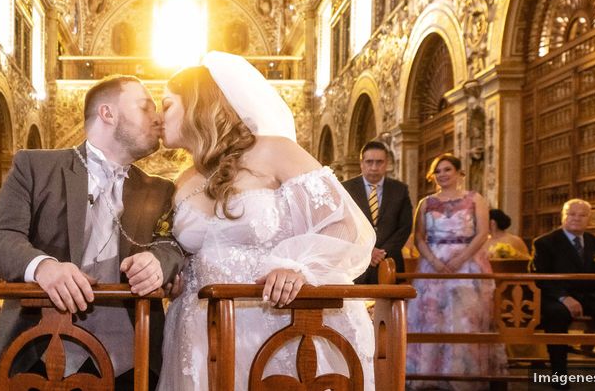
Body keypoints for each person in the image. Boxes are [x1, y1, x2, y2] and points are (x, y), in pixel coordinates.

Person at [157, 52, 377, 390]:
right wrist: (175, 275)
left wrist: (298, 266)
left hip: (275, 320)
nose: (158, 116)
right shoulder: (182, 180)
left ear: (197, 104)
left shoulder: (274, 151)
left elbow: (345, 225)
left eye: (167, 104)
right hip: (200, 329)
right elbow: (187, 251)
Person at [0, 75, 185, 391]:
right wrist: (44, 267)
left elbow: (171, 243)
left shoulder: (160, 190)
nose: (157, 117)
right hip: (35, 351)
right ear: (108, 113)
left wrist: (160, 262)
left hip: (131, 360)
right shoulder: (35, 167)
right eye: (145, 106)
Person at [405, 153, 506, 389]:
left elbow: (482, 234)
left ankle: (462, 377)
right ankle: (429, 376)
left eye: (447, 169)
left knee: (464, 319)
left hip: (467, 264)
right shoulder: (426, 203)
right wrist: (433, 261)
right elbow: (419, 237)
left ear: (459, 173)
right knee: (431, 318)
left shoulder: (475, 199)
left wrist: (460, 258)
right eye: (438, 171)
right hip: (432, 267)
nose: (442, 174)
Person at [531, 199, 595, 383]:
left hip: (591, 296)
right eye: (571, 214)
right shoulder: (545, 243)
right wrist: (564, 297)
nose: (576, 218)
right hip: (558, 297)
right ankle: (558, 375)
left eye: (582, 215)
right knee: (556, 314)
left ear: (589, 219)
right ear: (563, 216)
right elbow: (540, 277)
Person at [342, 140, 413, 283]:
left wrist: (381, 253)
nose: (374, 167)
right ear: (361, 163)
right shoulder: (345, 189)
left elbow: (405, 227)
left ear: (386, 164)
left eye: (379, 162)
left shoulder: (400, 190)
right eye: (369, 162)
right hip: (356, 264)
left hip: (389, 262)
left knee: (388, 304)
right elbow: (343, 225)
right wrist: (367, 251)